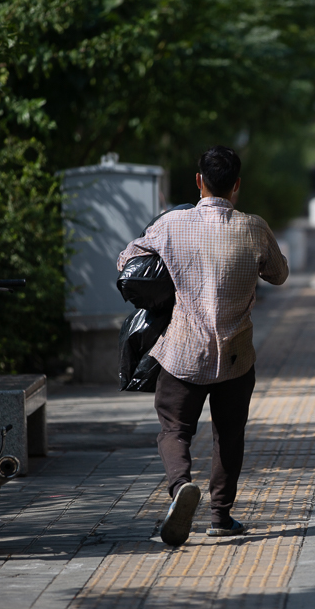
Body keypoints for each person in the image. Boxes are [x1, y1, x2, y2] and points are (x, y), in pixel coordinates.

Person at [117, 145, 289, 545]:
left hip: (182, 353)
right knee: (228, 436)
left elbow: (127, 262)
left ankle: (181, 488)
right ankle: (220, 516)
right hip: (235, 357)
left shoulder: (173, 226)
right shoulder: (253, 227)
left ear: (199, 181)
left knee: (174, 429)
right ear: (237, 186)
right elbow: (278, 274)